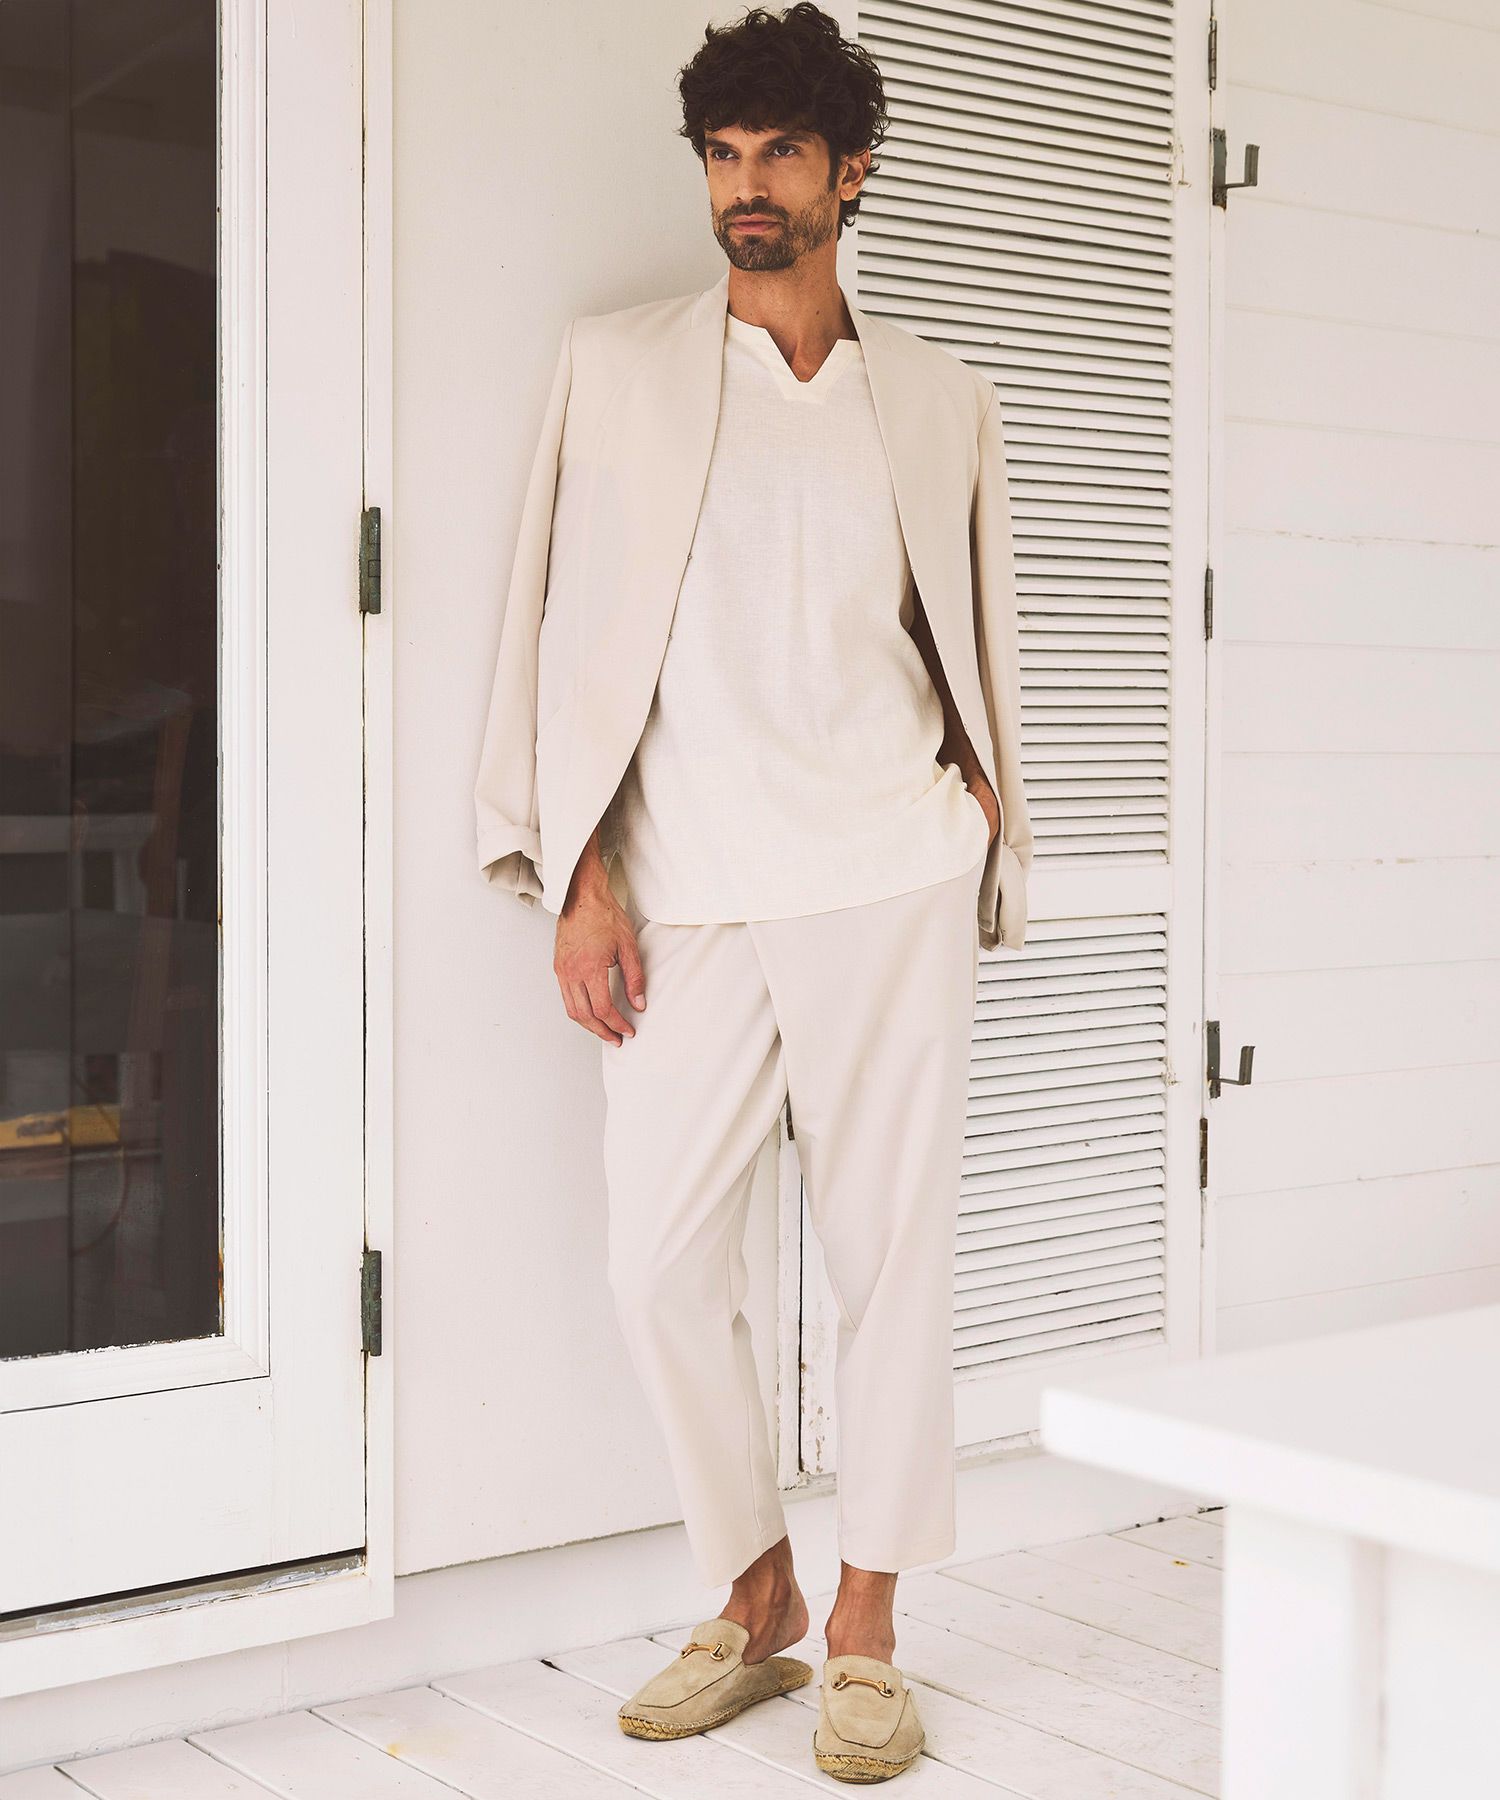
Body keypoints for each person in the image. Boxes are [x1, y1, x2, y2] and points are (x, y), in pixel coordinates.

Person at [473, 3, 1031, 1781]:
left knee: (893, 1259)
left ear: (850, 172)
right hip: (685, 885)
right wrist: (576, 872)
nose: (746, 187)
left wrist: (984, 804)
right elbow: (551, 629)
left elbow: (971, 625)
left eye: (781, 152)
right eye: (722, 155)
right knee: (654, 1262)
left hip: (888, 873)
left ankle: (866, 1624)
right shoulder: (616, 368)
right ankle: (756, 1586)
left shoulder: (936, 395)